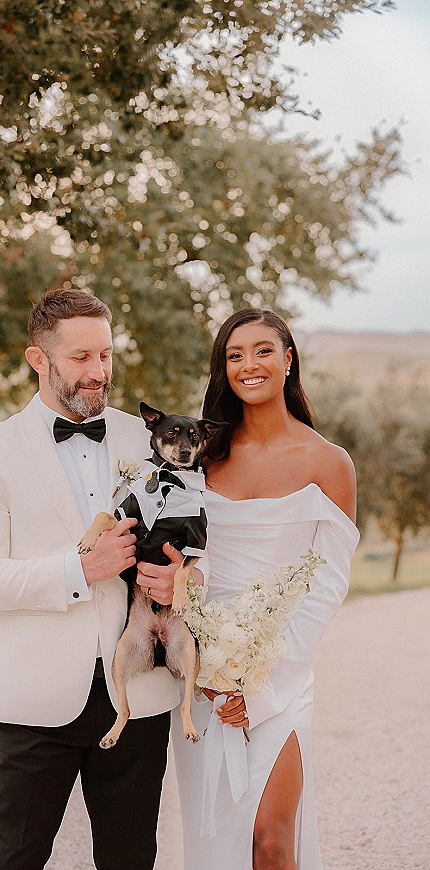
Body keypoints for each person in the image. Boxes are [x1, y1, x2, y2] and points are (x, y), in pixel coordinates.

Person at [0, 288, 188, 870]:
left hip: (139, 695)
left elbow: (192, 533)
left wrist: (183, 574)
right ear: (38, 358)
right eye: (81, 358)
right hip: (34, 700)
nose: (98, 372)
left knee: (131, 860)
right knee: (15, 858)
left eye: (105, 356)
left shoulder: (150, 441)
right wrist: (77, 570)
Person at [171, 308, 359, 870]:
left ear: (287, 358)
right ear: (222, 369)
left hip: (281, 672)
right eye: (234, 355)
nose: (248, 365)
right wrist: (202, 659)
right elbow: (188, 557)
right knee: (214, 842)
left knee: (271, 839)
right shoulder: (202, 461)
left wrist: (261, 679)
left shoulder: (328, 462)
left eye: (262, 350)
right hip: (202, 678)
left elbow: (328, 584)